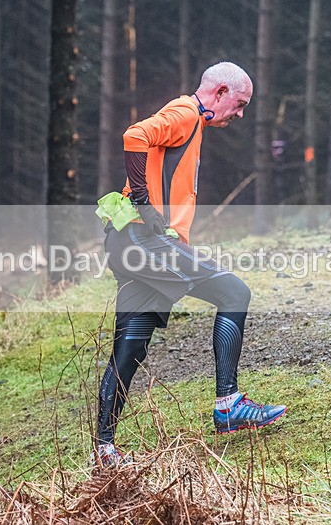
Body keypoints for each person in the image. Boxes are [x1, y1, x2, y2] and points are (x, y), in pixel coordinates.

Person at [94, 62, 286, 467]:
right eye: (239, 104)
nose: (240, 113)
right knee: (234, 291)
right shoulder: (185, 113)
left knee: (130, 348)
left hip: (129, 242)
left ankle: (105, 450)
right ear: (219, 92)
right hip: (143, 240)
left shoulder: (193, 124)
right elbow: (134, 135)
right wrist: (146, 205)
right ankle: (228, 405)